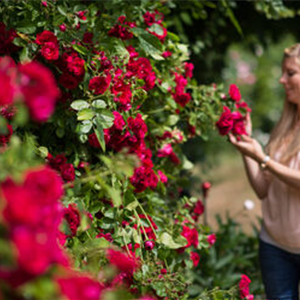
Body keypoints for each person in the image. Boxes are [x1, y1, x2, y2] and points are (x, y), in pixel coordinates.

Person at [229, 43, 300, 300]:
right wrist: (247, 149)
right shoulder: (284, 126)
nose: (282, 80)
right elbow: (262, 189)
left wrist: (264, 158)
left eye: (290, 73)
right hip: (274, 246)